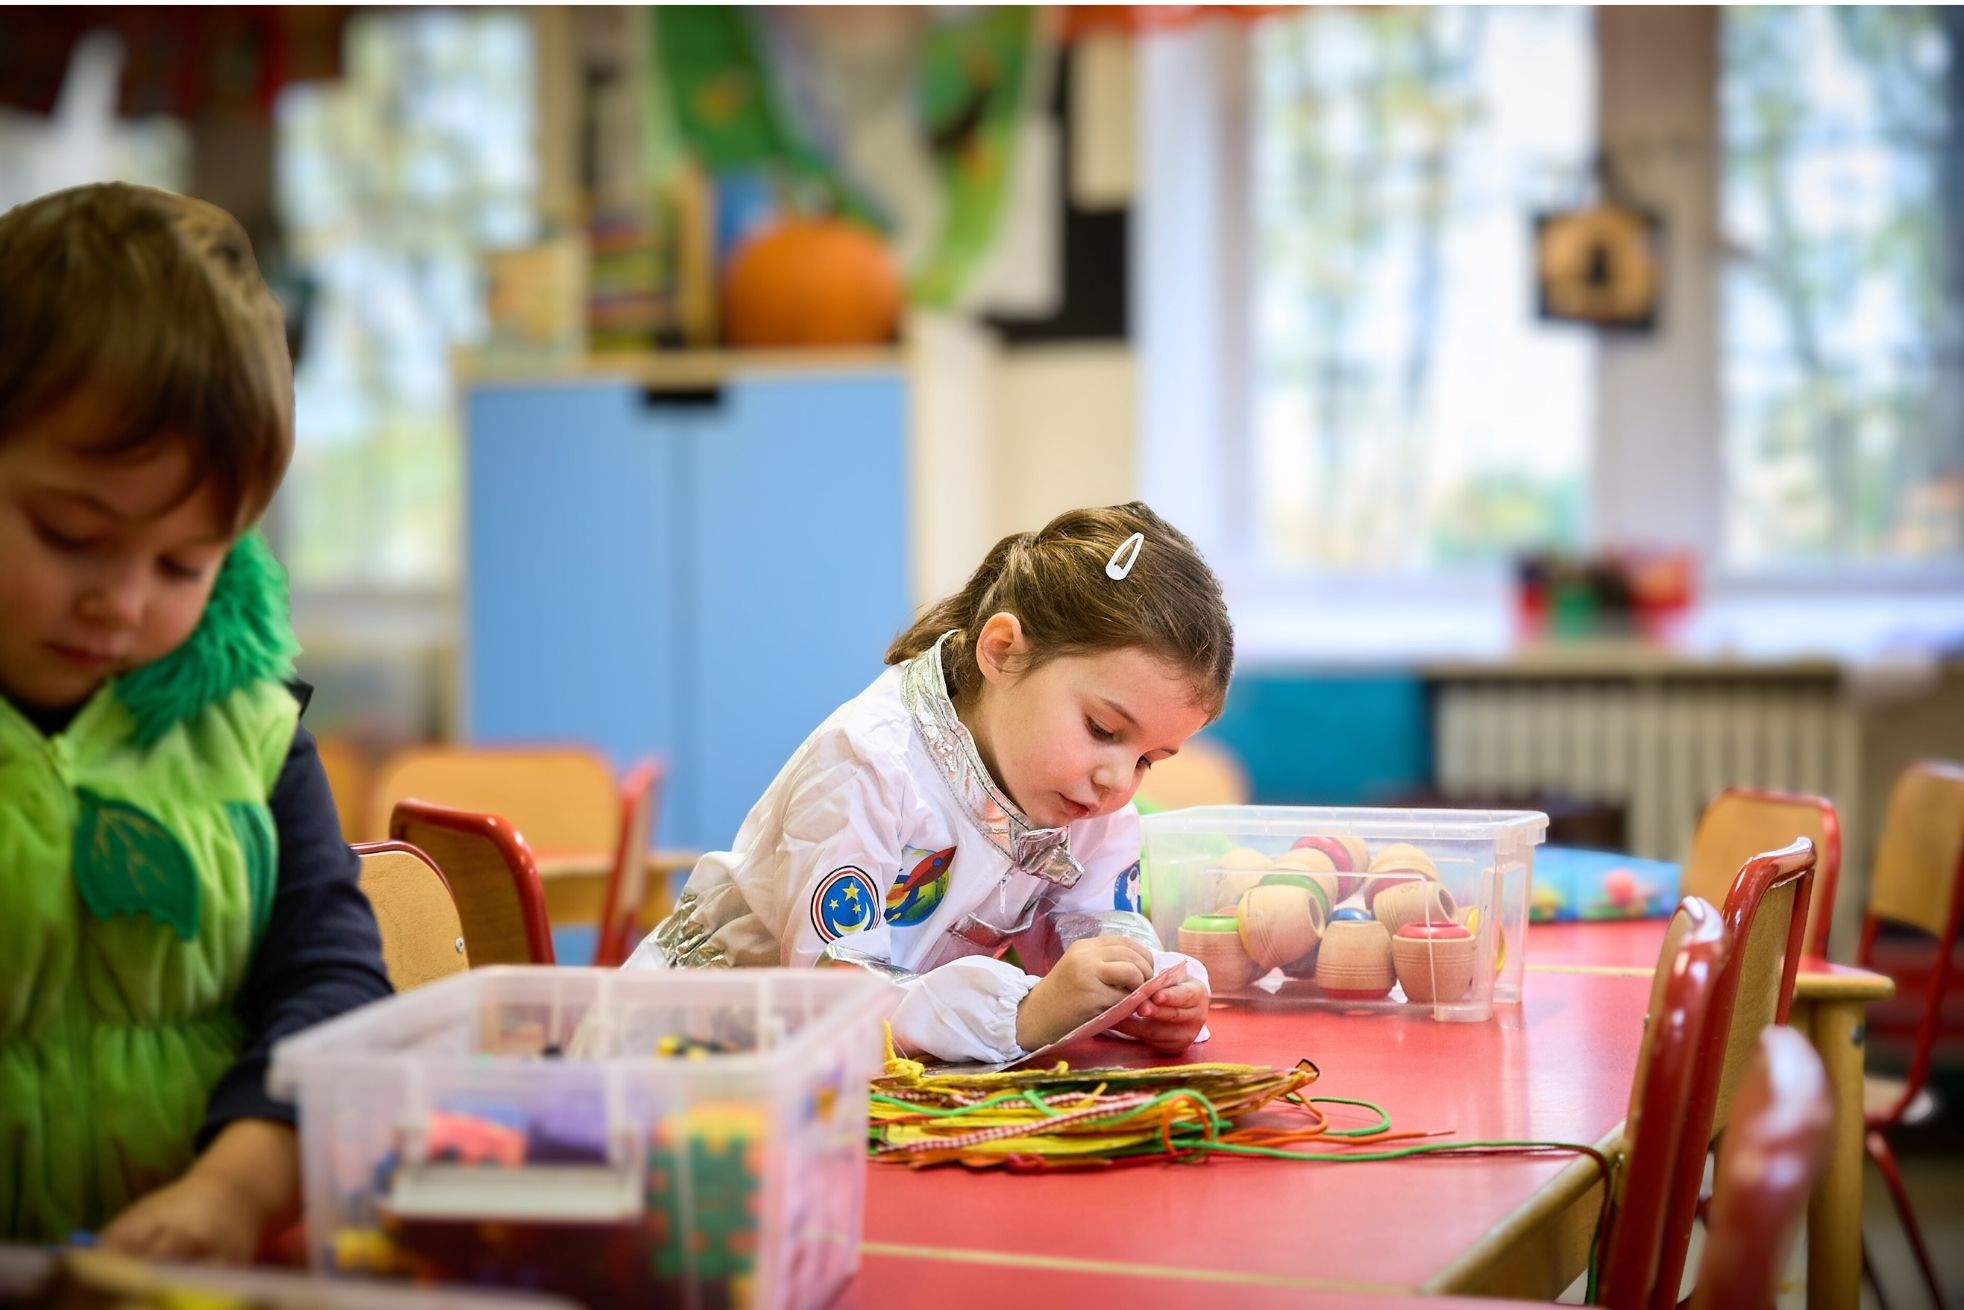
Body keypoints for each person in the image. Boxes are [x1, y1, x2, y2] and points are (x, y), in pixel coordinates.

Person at [0, 183, 393, 1258]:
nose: (122, 602)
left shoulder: (249, 728)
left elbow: (332, 981)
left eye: (182, 562)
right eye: (71, 534)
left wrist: (233, 1188)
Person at [630, 502, 1235, 1064]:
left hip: (852, 1090)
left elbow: (1096, 926)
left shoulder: (1084, 799)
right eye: (1103, 728)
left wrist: (1144, 994)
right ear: (1001, 652)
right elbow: (830, 1001)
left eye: (1149, 760)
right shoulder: (868, 763)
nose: (1116, 782)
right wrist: (1023, 1015)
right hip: (683, 1061)